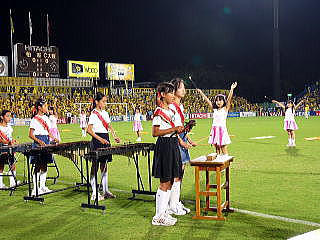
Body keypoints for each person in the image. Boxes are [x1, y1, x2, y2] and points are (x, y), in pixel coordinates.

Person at [151, 82, 184, 226]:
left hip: (172, 144)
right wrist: (173, 129)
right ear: (163, 95)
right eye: (170, 93)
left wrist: (179, 130)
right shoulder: (159, 111)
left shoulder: (171, 111)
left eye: (173, 92)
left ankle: (164, 213)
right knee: (164, 181)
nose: (172, 95)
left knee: (171, 180)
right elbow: (155, 132)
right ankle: (158, 217)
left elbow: (172, 129)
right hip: (164, 145)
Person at [167, 78, 196, 216]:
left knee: (181, 174)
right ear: (174, 90)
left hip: (182, 142)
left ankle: (176, 201)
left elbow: (181, 128)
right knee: (176, 175)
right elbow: (172, 128)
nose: (184, 90)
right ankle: (172, 205)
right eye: (181, 88)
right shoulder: (171, 106)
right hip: (176, 143)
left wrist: (189, 137)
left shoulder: (181, 106)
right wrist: (181, 141)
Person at [87, 92, 121, 201]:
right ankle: (94, 193)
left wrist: (115, 136)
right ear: (97, 102)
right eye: (103, 101)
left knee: (105, 166)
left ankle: (105, 191)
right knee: (95, 166)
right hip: (97, 140)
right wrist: (100, 139)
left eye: (105, 101)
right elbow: (89, 130)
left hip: (106, 138)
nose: (105, 103)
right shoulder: (93, 114)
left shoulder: (105, 113)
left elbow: (109, 126)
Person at [197, 82, 237, 160]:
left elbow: (229, 99)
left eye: (220, 100)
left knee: (223, 147)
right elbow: (207, 100)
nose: (218, 102)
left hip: (221, 130)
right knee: (217, 148)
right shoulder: (214, 109)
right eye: (217, 100)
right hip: (214, 130)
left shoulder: (225, 109)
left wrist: (232, 89)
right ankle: (218, 163)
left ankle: (225, 163)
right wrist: (201, 92)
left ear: (223, 101)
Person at [29, 98, 59, 195]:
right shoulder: (34, 119)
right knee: (37, 166)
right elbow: (30, 135)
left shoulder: (46, 118)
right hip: (38, 143)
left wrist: (53, 138)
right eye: (45, 106)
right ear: (39, 107)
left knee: (45, 165)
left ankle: (42, 186)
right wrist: (39, 141)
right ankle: (35, 188)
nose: (46, 107)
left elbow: (48, 132)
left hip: (46, 141)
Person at [0, 110, 19, 189]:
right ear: (2, 117)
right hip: (1, 148)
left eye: (10, 116)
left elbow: (10, 138)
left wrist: (14, 141)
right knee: (1, 166)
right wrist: (8, 142)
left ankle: (12, 182)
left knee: (12, 163)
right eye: (7, 116)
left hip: (9, 148)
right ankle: (0, 184)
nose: (9, 118)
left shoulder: (9, 127)